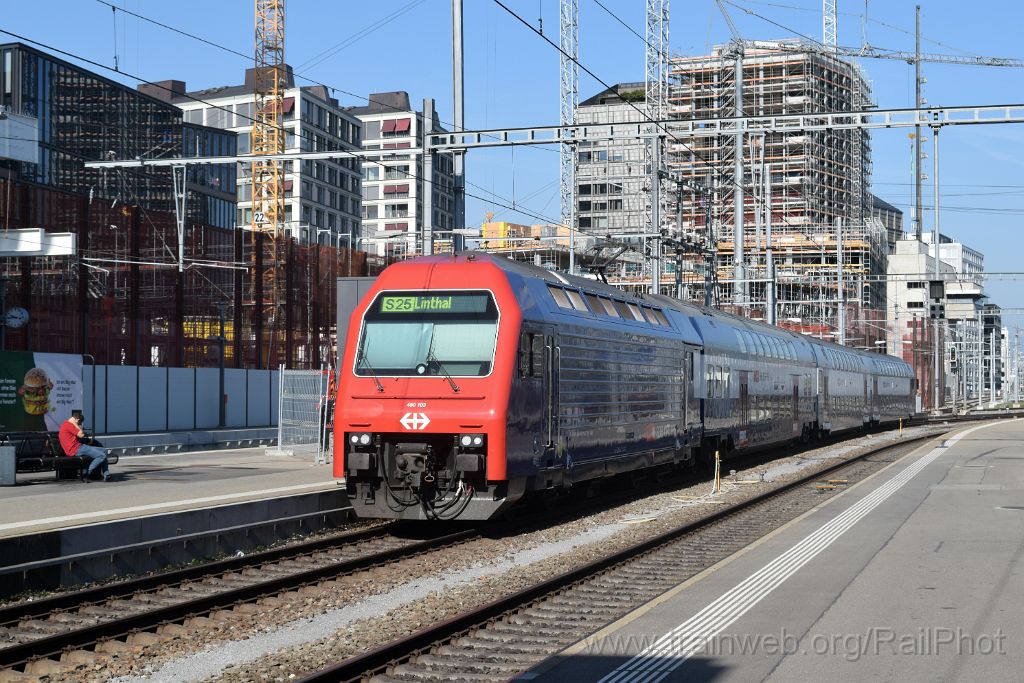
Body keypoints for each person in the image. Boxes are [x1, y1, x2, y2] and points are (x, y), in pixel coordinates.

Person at [59, 410, 110, 482]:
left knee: (104, 450)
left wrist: (75, 423)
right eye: (80, 423)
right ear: (77, 419)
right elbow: (81, 435)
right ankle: (86, 474)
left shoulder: (65, 424)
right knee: (101, 456)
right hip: (76, 449)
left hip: (79, 447)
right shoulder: (69, 425)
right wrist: (75, 424)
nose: (80, 425)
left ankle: (106, 475)